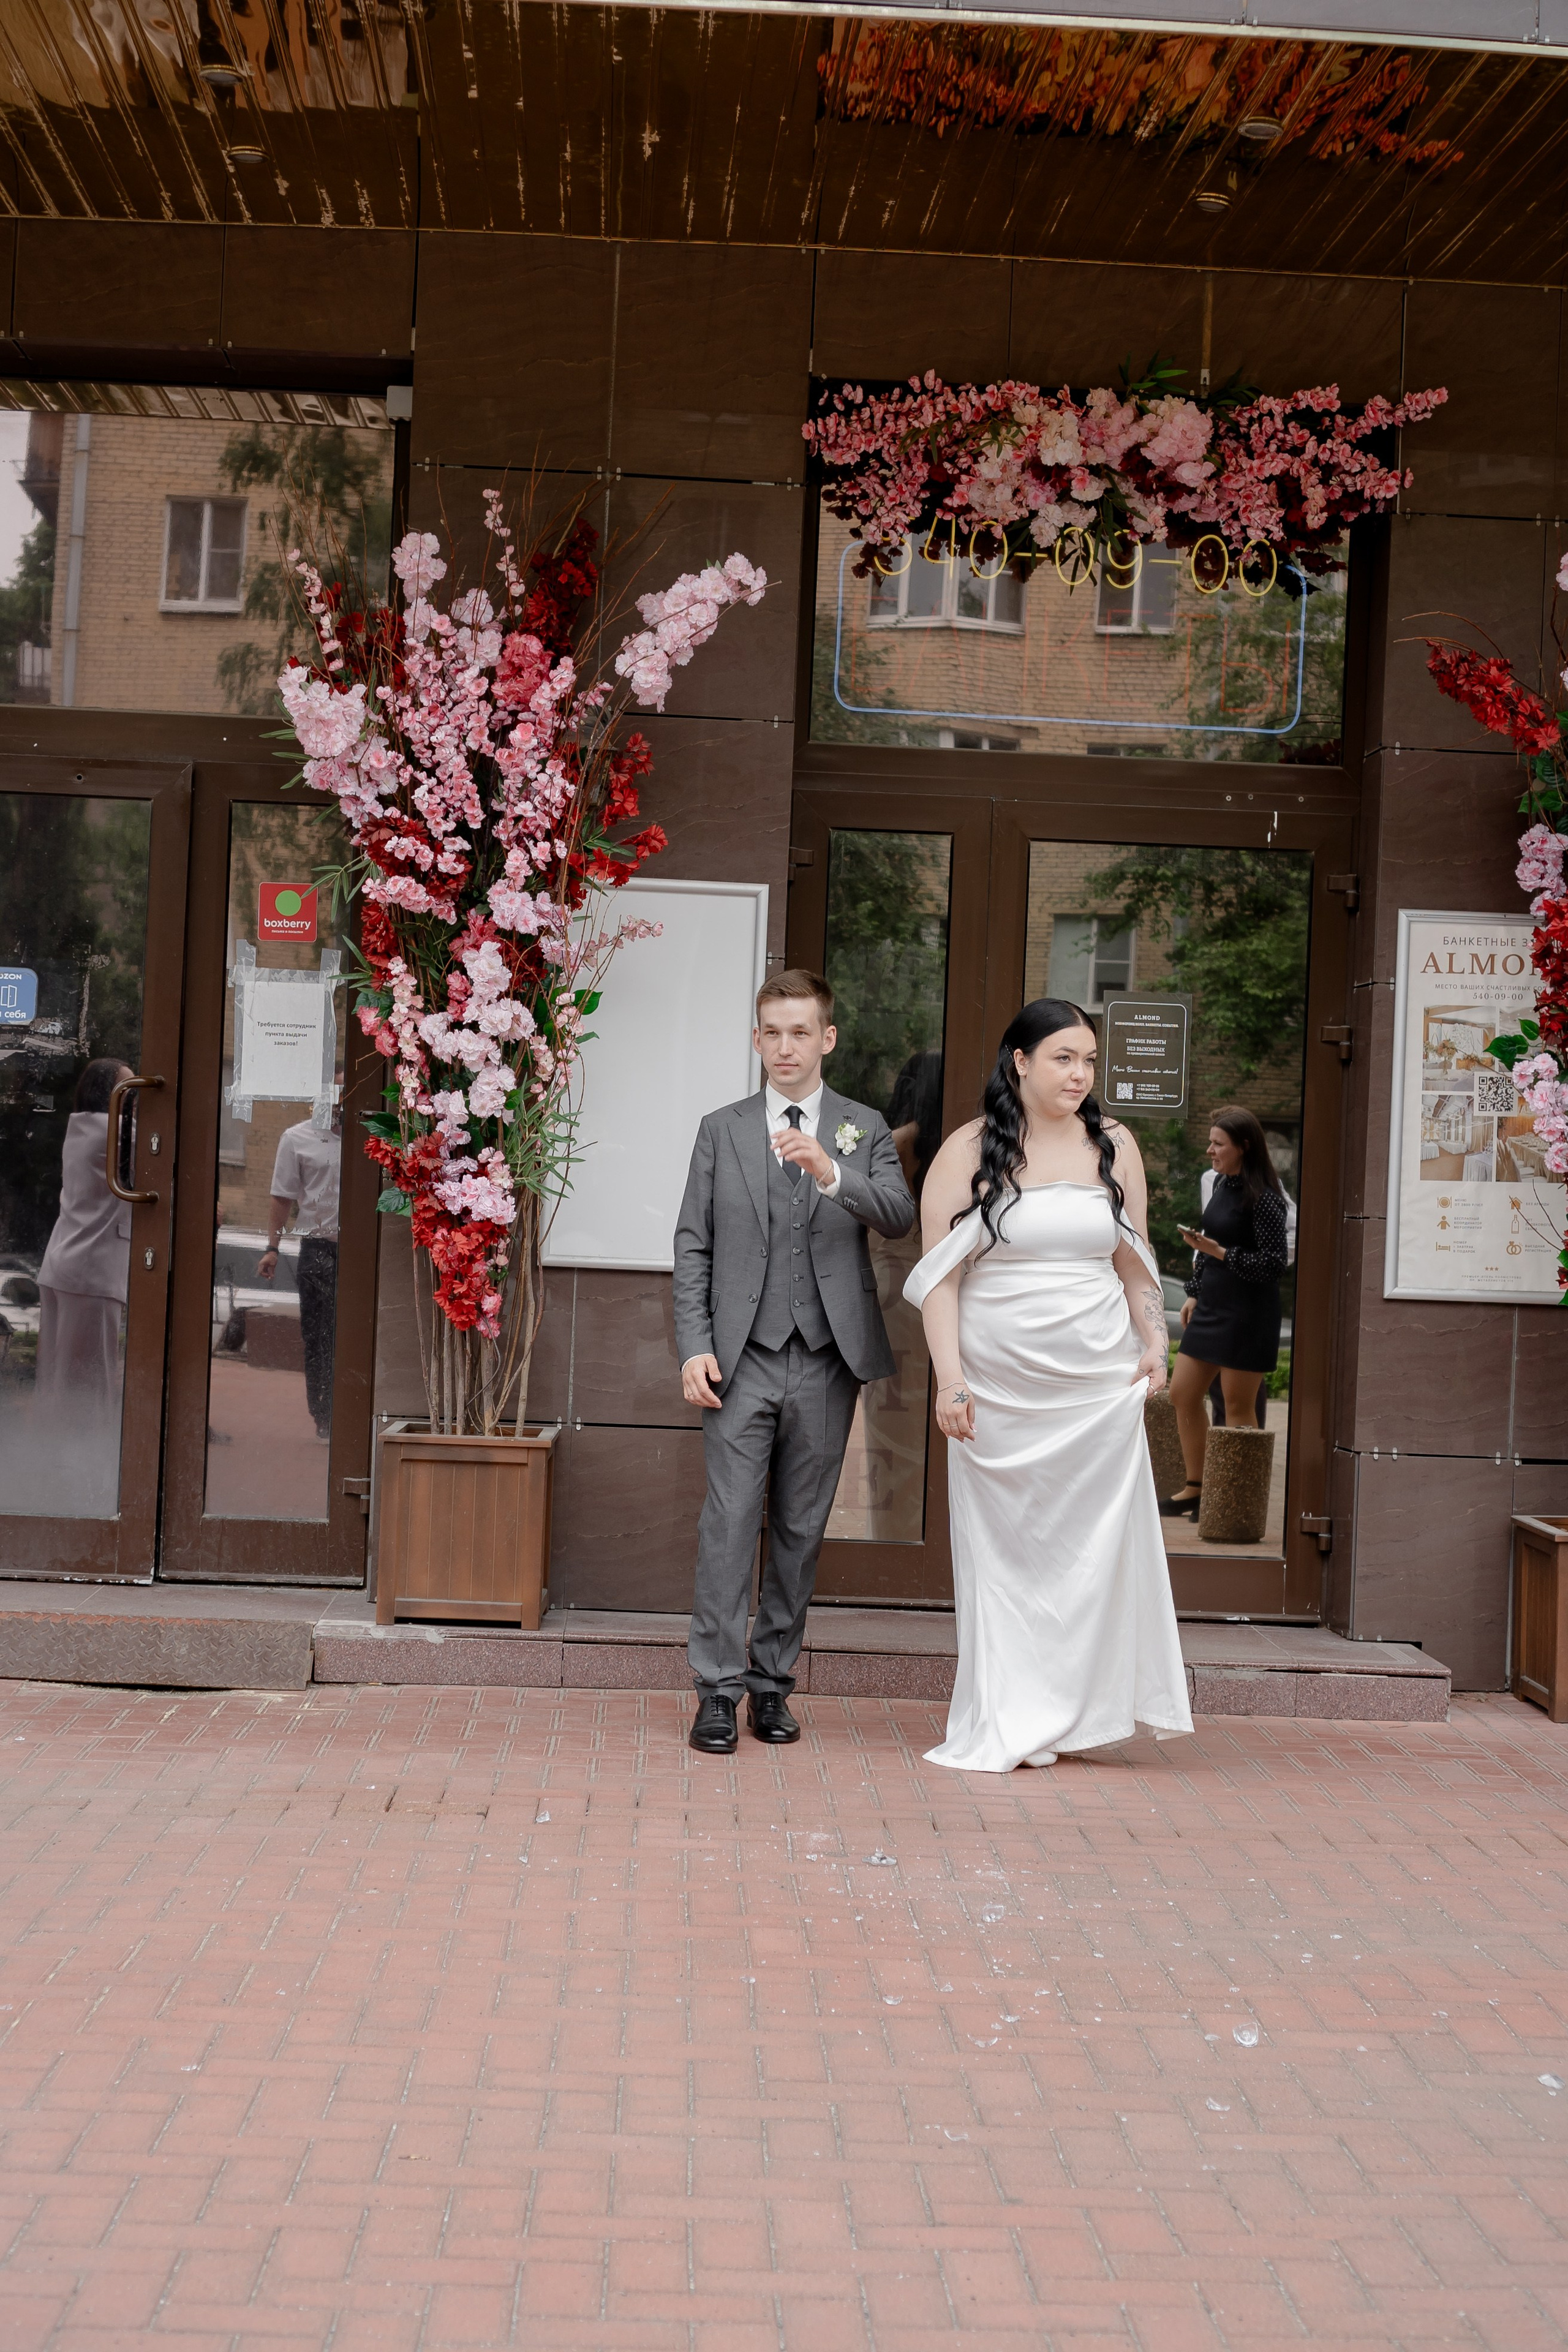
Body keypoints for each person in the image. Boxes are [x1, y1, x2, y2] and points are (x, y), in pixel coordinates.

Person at [905, 998, 1193, 1774]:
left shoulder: (1115, 1144)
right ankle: (1011, 1712)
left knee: (1087, 1555)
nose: (1079, 1074)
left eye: (1089, 1061)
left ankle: (1074, 1713)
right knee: (1007, 1554)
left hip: (1094, 1386)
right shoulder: (968, 1149)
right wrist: (951, 1384)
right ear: (1019, 1062)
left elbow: (1135, 1261)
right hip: (998, 1386)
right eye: (1063, 1057)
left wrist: (1155, 1342)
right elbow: (939, 1282)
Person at [673, 969, 916, 1754]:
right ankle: (716, 1690)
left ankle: (771, 1687)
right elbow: (693, 1246)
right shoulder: (722, 1128)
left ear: (828, 1039)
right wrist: (695, 1345)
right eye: (772, 1032)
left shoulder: (862, 1126)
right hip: (738, 1361)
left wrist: (830, 1171)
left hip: (825, 1360)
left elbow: (898, 1214)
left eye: (801, 1032)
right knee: (729, 1526)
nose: (786, 1047)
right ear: (756, 1039)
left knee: (801, 1531)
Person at [1164, 1106, 1289, 1517]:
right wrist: (1194, 1292)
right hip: (1213, 1304)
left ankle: (1237, 1501)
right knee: (1182, 1394)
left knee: (1238, 1409)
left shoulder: (1267, 1200)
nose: (1210, 1150)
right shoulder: (1219, 1183)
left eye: (1218, 1144)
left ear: (1244, 1147)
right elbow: (1209, 1246)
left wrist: (1221, 1253)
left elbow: (1273, 1264)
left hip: (1248, 1311)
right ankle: (1197, 1488)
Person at [36, 1058, 135, 1436]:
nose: (137, 1098)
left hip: (62, 1264)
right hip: (91, 1272)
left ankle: (49, 1452)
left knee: (57, 1376)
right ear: (109, 1094)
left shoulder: (80, 1127)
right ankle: (84, 1460)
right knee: (91, 1379)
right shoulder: (117, 1130)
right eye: (129, 1089)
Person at [257, 1112, 341, 1442]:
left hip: (365, 1250)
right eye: (334, 1093)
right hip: (319, 1248)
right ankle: (324, 1415)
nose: (340, 1101)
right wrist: (272, 1247)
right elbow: (282, 1196)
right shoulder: (297, 1138)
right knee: (319, 1336)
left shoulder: (373, 1135)